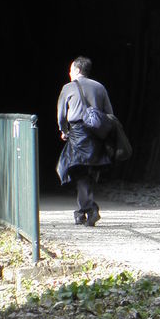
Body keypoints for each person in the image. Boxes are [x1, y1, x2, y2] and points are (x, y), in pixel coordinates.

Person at [56, 56, 114, 226]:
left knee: (78, 172)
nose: (69, 73)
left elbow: (60, 116)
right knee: (88, 172)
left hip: (78, 133)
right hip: (97, 134)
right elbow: (110, 113)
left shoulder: (68, 88)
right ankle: (82, 212)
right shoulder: (99, 87)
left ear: (77, 70)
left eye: (70, 69)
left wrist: (64, 131)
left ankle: (90, 209)